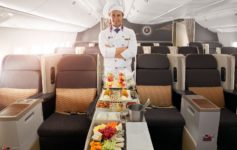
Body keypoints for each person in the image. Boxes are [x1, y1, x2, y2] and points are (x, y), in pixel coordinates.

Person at [99, 3, 137, 76]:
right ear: (109, 16)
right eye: (113, 15)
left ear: (122, 16)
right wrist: (124, 49)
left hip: (126, 71)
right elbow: (104, 52)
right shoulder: (103, 34)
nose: (115, 18)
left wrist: (111, 51)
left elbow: (133, 52)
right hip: (110, 72)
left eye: (118, 15)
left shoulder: (130, 32)